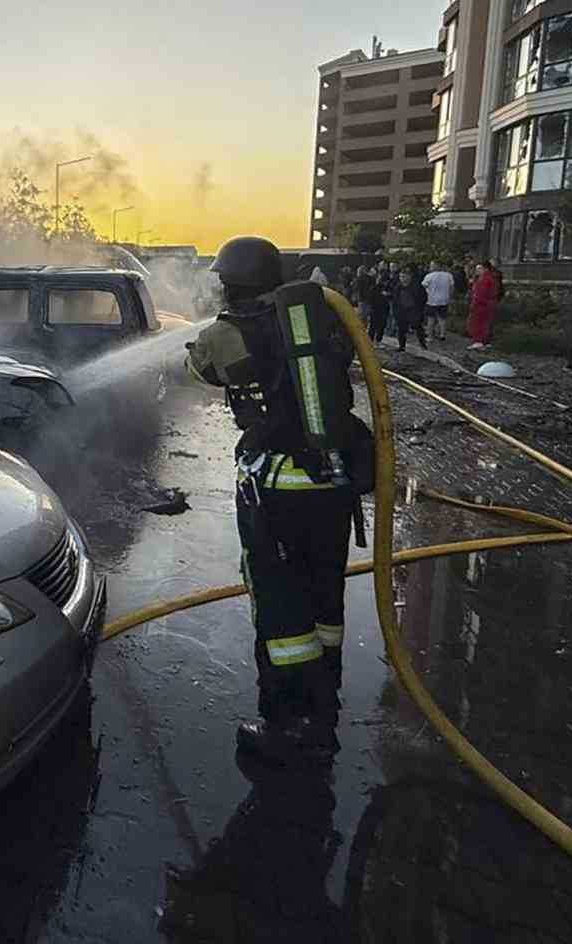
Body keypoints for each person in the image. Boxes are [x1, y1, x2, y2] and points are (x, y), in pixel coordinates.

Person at [184, 236, 361, 760]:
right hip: (332, 482)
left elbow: (200, 373)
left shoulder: (227, 331)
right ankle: (323, 708)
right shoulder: (317, 318)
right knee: (324, 598)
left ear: (230, 280)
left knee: (281, 610)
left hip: (277, 489)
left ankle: (287, 724)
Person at [393, 264, 428, 352]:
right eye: (401, 277)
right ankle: (402, 346)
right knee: (401, 330)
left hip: (414, 311)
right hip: (402, 311)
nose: (402, 278)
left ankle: (423, 345)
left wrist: (419, 309)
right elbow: (395, 299)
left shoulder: (417, 286)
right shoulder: (398, 287)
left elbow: (423, 298)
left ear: (409, 277)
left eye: (404, 276)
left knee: (418, 328)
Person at [466, 260, 500, 349]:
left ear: (485, 269)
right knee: (487, 322)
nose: (477, 271)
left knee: (479, 322)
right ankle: (485, 341)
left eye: (479, 268)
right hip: (488, 304)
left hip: (481, 305)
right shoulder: (492, 278)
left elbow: (481, 294)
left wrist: (475, 303)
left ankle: (479, 340)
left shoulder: (484, 279)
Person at [422, 259, 454, 340]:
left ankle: (430, 336)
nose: (430, 267)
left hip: (432, 300)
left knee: (431, 318)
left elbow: (423, 286)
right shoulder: (448, 275)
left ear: (437, 266)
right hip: (444, 300)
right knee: (442, 318)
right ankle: (442, 335)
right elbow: (452, 287)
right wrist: (449, 297)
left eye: (432, 265)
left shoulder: (429, 276)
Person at [367, 263, 394, 343]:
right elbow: (371, 297)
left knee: (378, 326)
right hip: (378, 308)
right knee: (375, 326)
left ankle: (374, 340)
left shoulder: (384, 287)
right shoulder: (376, 288)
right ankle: (373, 340)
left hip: (380, 308)